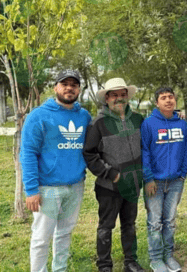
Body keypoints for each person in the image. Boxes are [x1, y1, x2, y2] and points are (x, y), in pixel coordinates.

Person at [20, 70, 92, 272]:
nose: (69, 88)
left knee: (65, 234)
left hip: (75, 186)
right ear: (56, 88)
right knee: (41, 238)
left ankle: (60, 269)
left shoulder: (84, 116)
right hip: (47, 189)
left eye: (74, 84)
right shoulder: (39, 116)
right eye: (64, 83)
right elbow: (28, 153)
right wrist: (31, 189)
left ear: (78, 89)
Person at [83, 78, 145, 272]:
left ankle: (131, 262)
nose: (119, 98)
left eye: (123, 94)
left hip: (132, 185)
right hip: (109, 187)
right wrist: (111, 174)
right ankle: (104, 265)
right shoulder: (99, 123)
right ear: (107, 98)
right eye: (115, 95)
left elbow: (146, 148)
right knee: (106, 226)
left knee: (130, 224)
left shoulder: (138, 119)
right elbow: (89, 153)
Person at [141, 86, 187, 272]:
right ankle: (155, 259)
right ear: (157, 102)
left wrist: (184, 172)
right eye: (163, 98)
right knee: (155, 222)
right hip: (155, 182)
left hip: (176, 180)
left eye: (171, 97)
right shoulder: (149, 124)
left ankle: (168, 256)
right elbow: (144, 151)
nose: (168, 100)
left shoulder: (182, 124)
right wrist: (148, 178)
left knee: (170, 220)